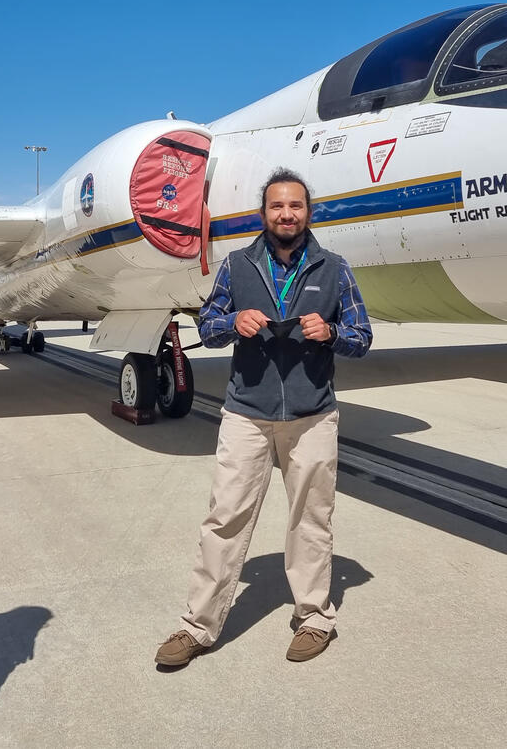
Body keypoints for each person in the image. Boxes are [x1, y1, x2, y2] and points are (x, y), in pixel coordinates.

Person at [155, 167, 372, 667]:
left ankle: (315, 617)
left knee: (311, 518)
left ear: (308, 213)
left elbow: (362, 336)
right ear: (264, 213)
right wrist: (233, 321)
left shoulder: (333, 268)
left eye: (295, 206)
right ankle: (197, 626)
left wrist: (332, 333)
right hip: (246, 413)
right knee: (224, 517)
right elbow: (207, 328)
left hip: (312, 414)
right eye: (277, 206)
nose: (286, 214)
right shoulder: (237, 266)